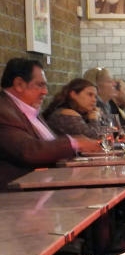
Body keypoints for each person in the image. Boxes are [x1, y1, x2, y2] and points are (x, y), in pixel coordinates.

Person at [0, 58, 99, 186]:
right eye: (40, 85)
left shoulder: (30, 110)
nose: (45, 92)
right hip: (19, 195)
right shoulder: (4, 111)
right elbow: (28, 151)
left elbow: (49, 145)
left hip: (49, 185)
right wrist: (75, 142)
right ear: (19, 84)